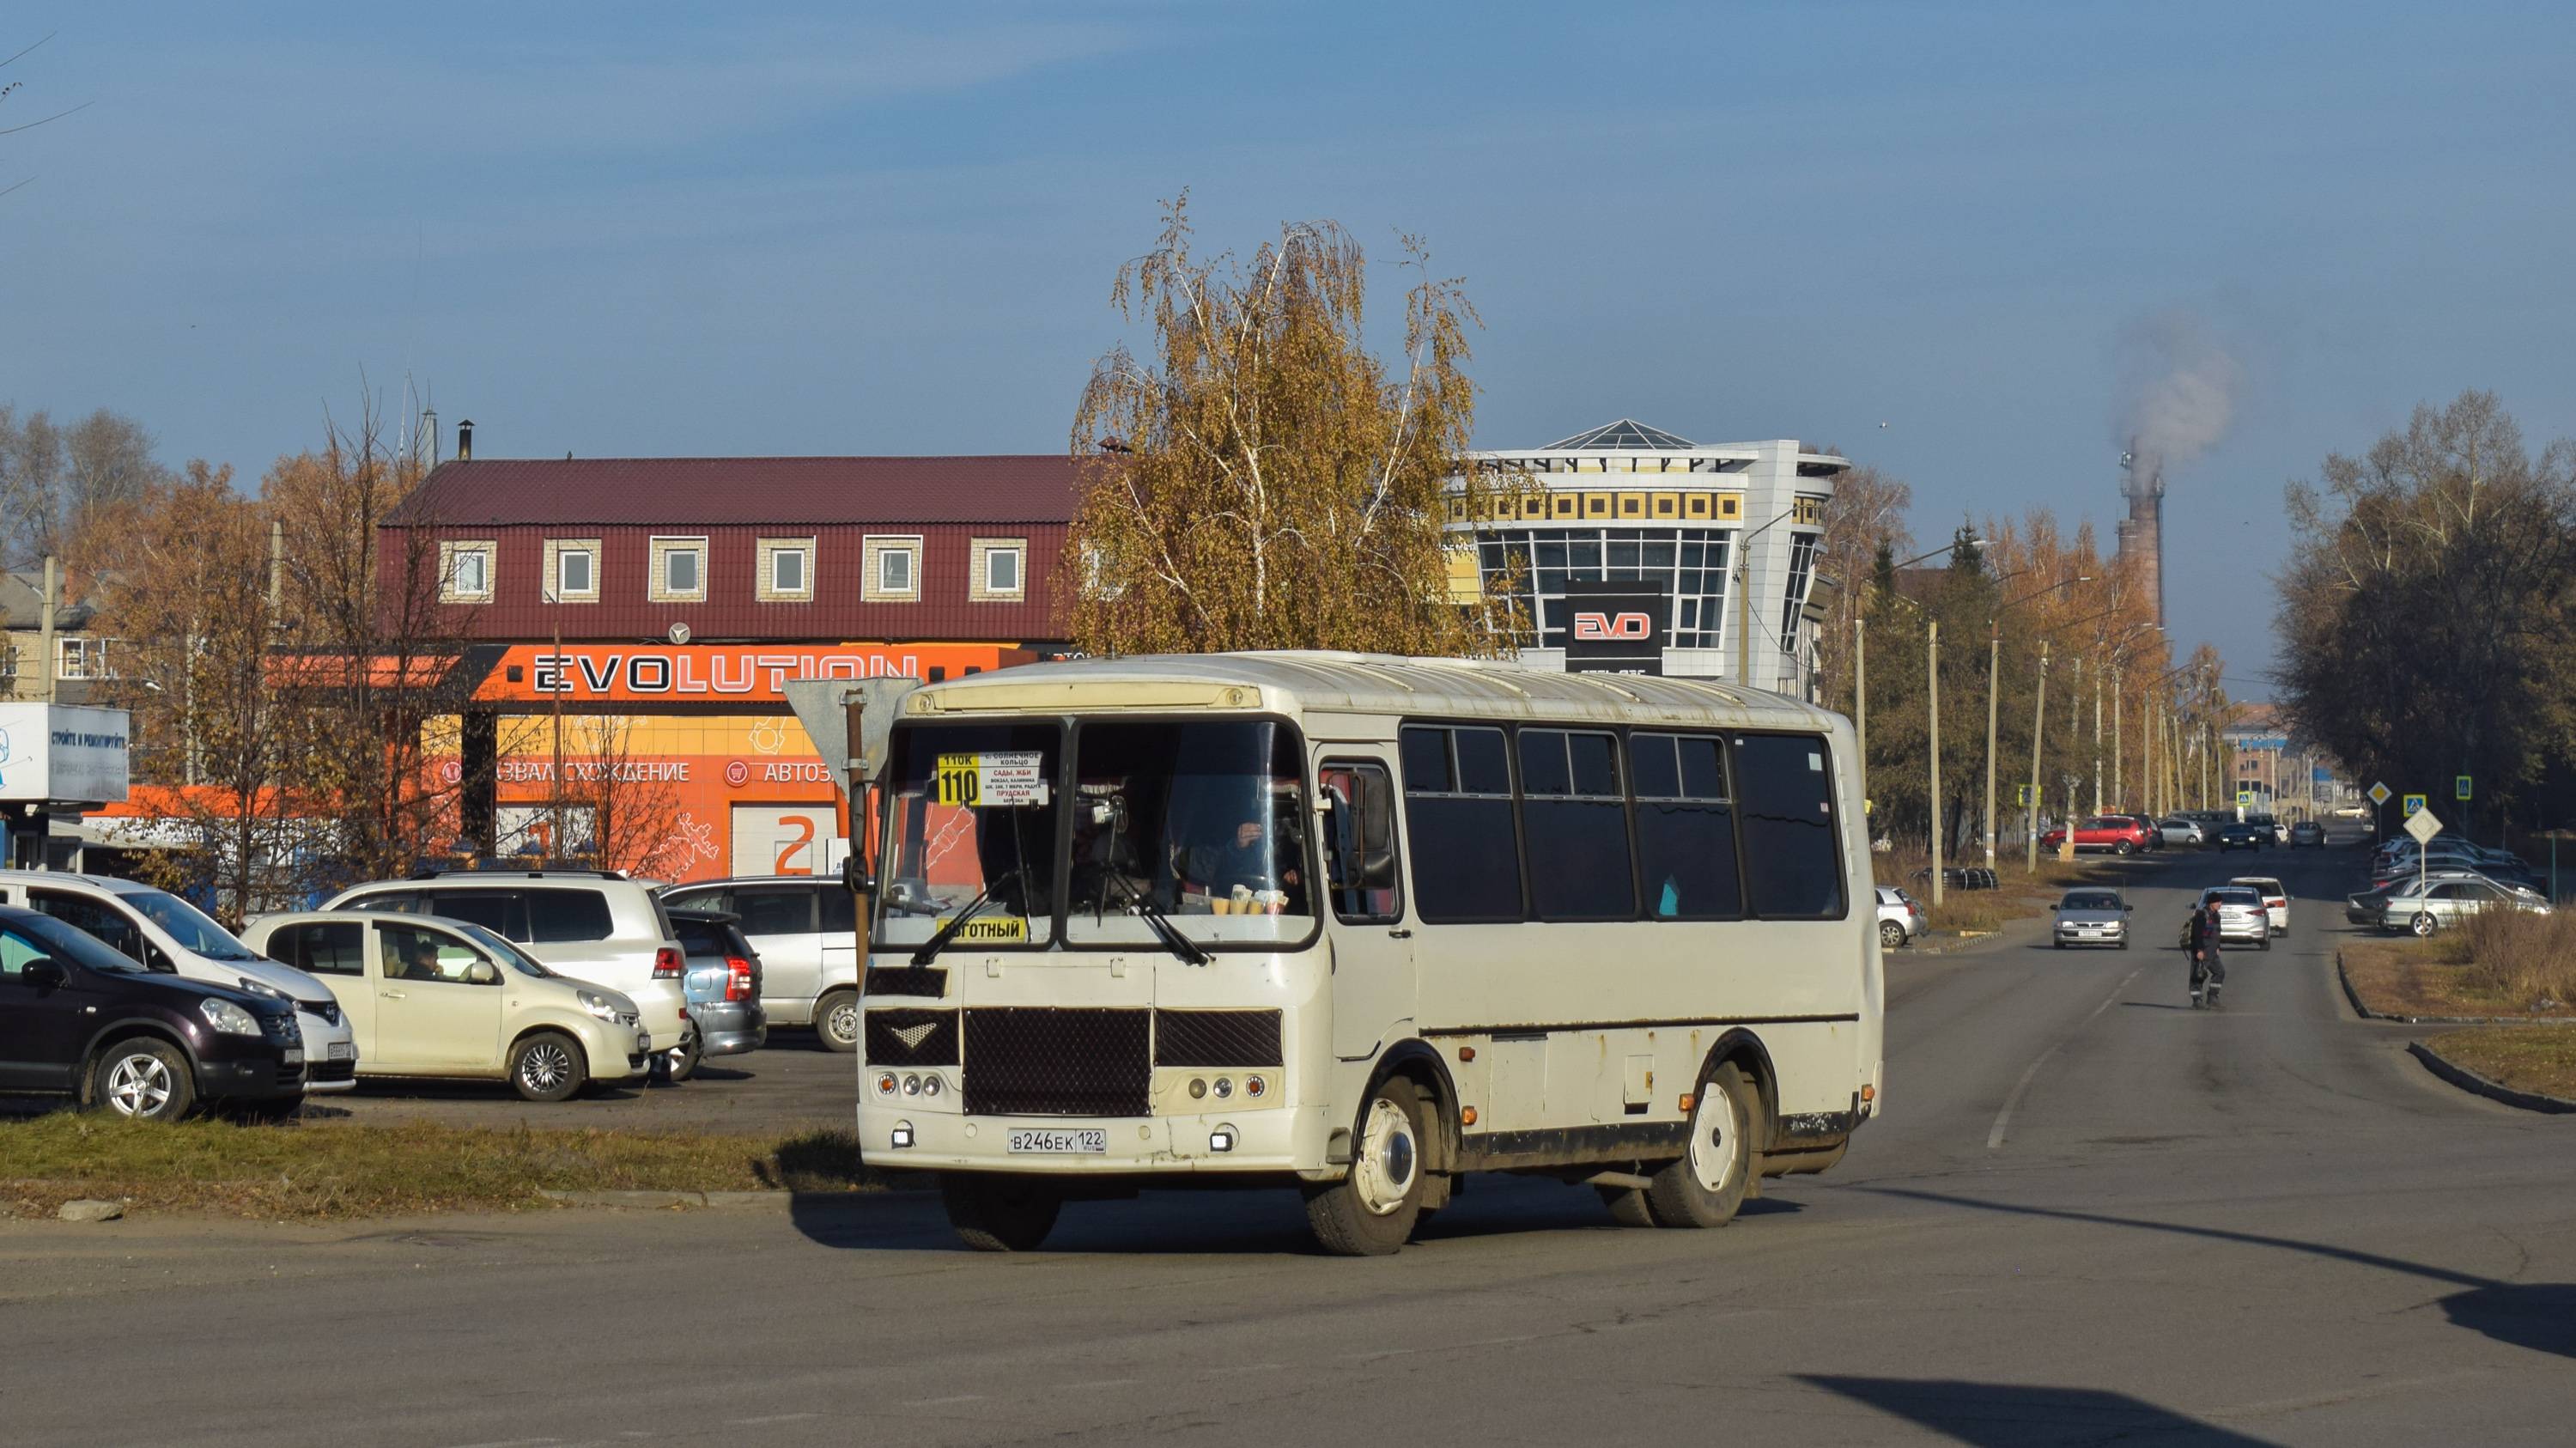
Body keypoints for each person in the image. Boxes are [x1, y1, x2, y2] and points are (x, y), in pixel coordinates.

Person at [2187, 898, 2226, 1005]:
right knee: (2198, 974)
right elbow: (2197, 934)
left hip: (2212, 950)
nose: (2220, 904)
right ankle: (2197, 1000)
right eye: (2218, 902)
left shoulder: (2216, 915)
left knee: (2220, 972)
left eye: (2221, 902)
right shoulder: (2201, 915)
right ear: (2211, 903)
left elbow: (2217, 933)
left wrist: (2218, 947)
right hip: (2201, 950)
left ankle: (2213, 997)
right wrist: (2199, 950)